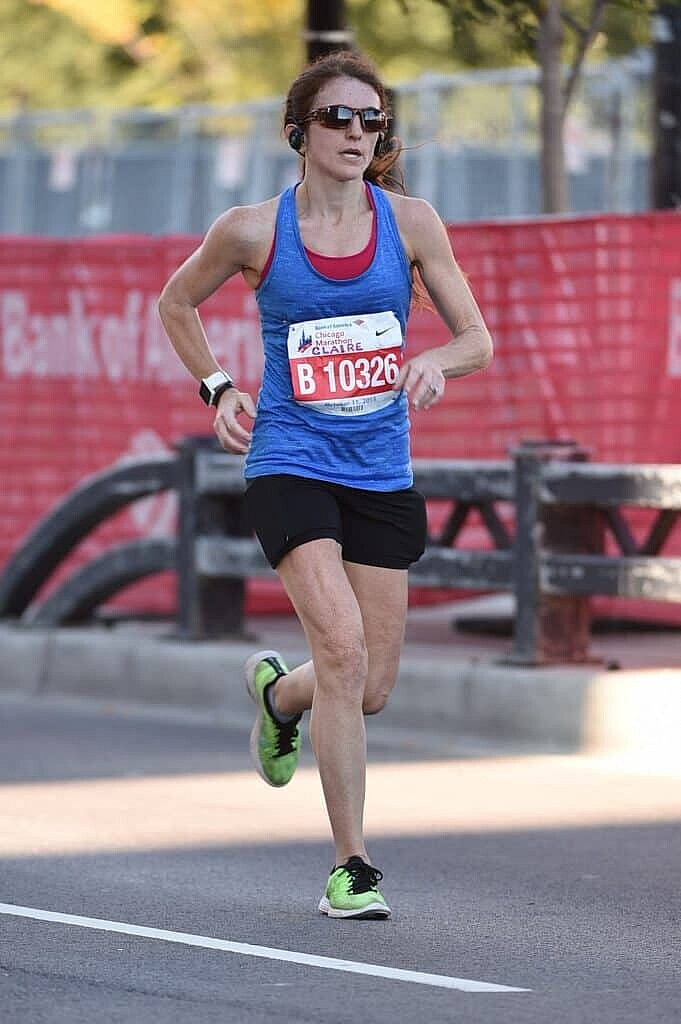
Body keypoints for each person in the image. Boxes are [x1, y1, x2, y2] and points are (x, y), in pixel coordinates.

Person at [159, 50, 492, 920]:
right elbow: (175, 302)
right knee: (341, 650)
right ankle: (353, 868)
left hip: (380, 470)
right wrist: (218, 387)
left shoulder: (411, 223)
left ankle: (278, 695)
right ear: (297, 133)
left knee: (369, 685)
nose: (356, 132)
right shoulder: (251, 231)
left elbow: (476, 338)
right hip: (289, 461)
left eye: (371, 119)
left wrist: (437, 361)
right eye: (337, 117)